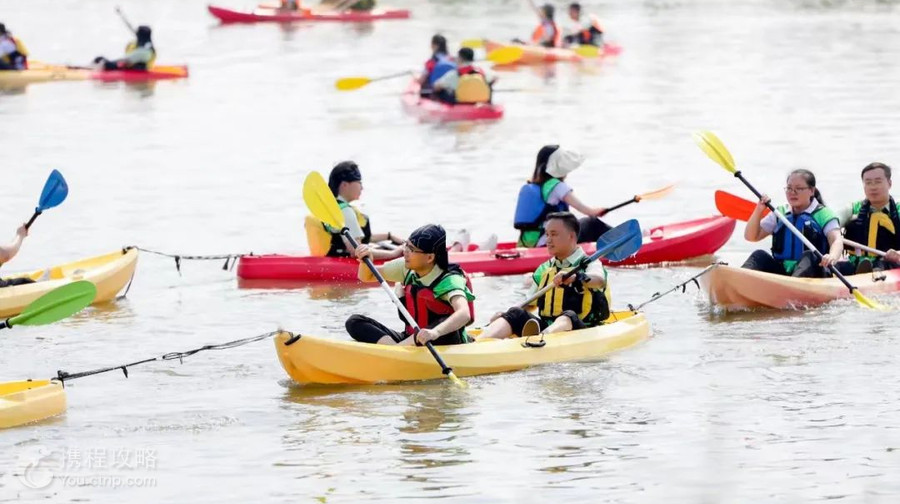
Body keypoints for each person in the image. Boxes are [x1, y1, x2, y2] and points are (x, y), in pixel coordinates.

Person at [479, 212, 609, 340]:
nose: (548, 240)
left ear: (571, 236)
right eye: (547, 234)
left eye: (554, 234)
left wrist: (576, 277)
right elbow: (529, 302)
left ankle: (539, 340)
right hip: (548, 328)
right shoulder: (545, 268)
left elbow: (599, 280)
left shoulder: (589, 263)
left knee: (568, 316)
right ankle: (479, 342)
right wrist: (506, 315)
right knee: (515, 313)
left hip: (582, 329)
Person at [345, 224, 475, 346]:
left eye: (411, 249)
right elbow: (366, 276)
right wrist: (365, 260)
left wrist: (435, 332)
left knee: (440, 323)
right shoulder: (406, 267)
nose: (405, 251)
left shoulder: (449, 280)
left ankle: (399, 349)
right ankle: (395, 348)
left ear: (430, 258)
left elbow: (464, 314)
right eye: (406, 245)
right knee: (354, 322)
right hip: (411, 339)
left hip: (441, 339)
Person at [742, 169, 843, 278]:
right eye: (789, 188)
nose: (792, 192)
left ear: (811, 191)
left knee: (809, 255)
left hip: (815, 271)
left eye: (798, 188)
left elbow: (836, 240)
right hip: (783, 271)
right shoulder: (780, 213)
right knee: (759, 255)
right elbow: (751, 237)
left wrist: (832, 256)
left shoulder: (823, 214)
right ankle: (738, 279)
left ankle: (794, 283)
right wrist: (758, 210)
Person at [513, 145, 611, 248]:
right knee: (592, 223)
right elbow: (588, 211)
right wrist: (598, 211)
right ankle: (622, 245)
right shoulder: (556, 186)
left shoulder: (531, 186)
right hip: (550, 244)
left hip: (530, 244)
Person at [306, 161, 403, 258]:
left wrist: (389, 236)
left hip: (328, 259)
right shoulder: (345, 211)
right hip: (343, 263)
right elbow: (356, 251)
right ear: (344, 184)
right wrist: (393, 254)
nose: (362, 187)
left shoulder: (333, 208)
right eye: (359, 182)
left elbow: (361, 237)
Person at [835, 162, 900, 274]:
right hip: (855, 264)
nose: (873, 187)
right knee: (835, 266)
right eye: (868, 183)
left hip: (890, 265)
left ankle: (873, 273)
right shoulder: (851, 209)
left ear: (889, 183)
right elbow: (830, 228)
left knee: (881, 264)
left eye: (878, 182)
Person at [419, 34, 456, 101]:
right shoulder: (453, 60)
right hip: (452, 94)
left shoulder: (431, 62)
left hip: (434, 93)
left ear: (434, 46)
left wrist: (415, 79)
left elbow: (421, 80)